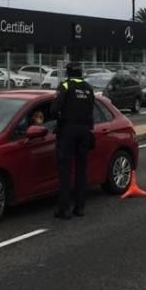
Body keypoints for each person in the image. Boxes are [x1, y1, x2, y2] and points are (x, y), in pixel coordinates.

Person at [50, 62, 95, 219]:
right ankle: (80, 208)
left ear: (68, 73)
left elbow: (54, 109)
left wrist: (59, 117)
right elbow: (91, 109)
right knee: (81, 170)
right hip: (85, 131)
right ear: (80, 73)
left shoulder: (66, 86)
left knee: (65, 170)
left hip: (68, 130)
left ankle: (64, 209)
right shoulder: (88, 88)